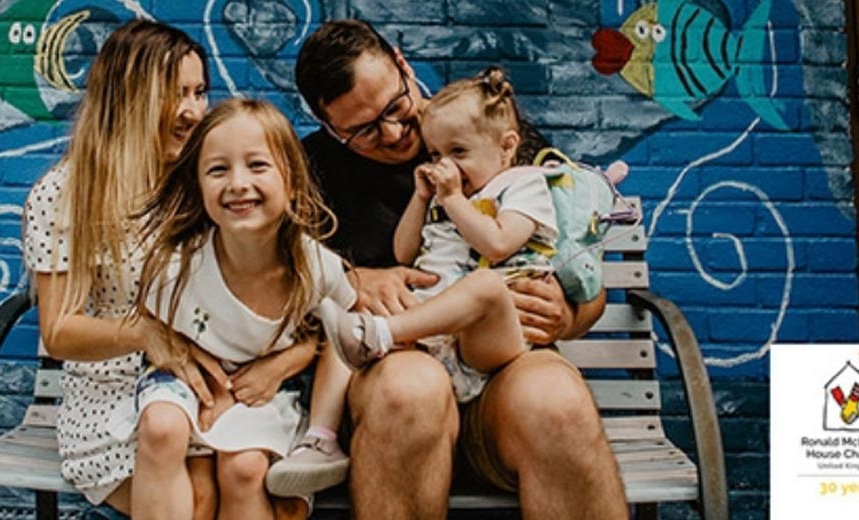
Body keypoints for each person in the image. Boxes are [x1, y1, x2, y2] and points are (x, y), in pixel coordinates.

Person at [293, 19, 628, 518]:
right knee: (411, 392)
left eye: (395, 107)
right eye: (362, 130)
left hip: (501, 369)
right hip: (396, 376)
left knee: (556, 400)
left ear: (404, 67)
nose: (391, 133)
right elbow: (270, 288)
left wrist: (568, 315)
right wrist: (350, 279)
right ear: (328, 127)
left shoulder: (482, 127)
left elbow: (584, 273)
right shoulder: (308, 171)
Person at [23, 21, 308, 519]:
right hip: (114, 391)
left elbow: (294, 283)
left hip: (216, 384)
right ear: (130, 96)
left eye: (200, 92)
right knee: (198, 501)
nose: (194, 111)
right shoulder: (67, 192)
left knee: (242, 482)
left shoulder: (208, 178)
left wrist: (277, 365)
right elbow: (59, 328)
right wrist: (145, 335)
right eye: (175, 94)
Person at [134, 97, 356, 517]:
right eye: (218, 170)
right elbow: (148, 322)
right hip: (188, 384)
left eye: (257, 166)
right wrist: (189, 359)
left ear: (290, 180)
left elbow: (344, 329)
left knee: (245, 468)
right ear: (199, 187)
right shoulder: (179, 265)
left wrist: (285, 363)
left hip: (264, 392)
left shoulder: (314, 267)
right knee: (161, 427)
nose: (237, 183)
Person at [318, 67, 559, 407]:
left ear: (506, 148)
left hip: (491, 335)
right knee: (344, 328)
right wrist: (421, 199)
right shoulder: (445, 198)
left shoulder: (523, 186)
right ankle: (319, 438)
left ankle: (383, 334)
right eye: (435, 155)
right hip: (434, 337)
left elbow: (498, 244)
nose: (444, 165)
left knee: (486, 286)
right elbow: (404, 253)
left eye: (458, 152)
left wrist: (453, 199)